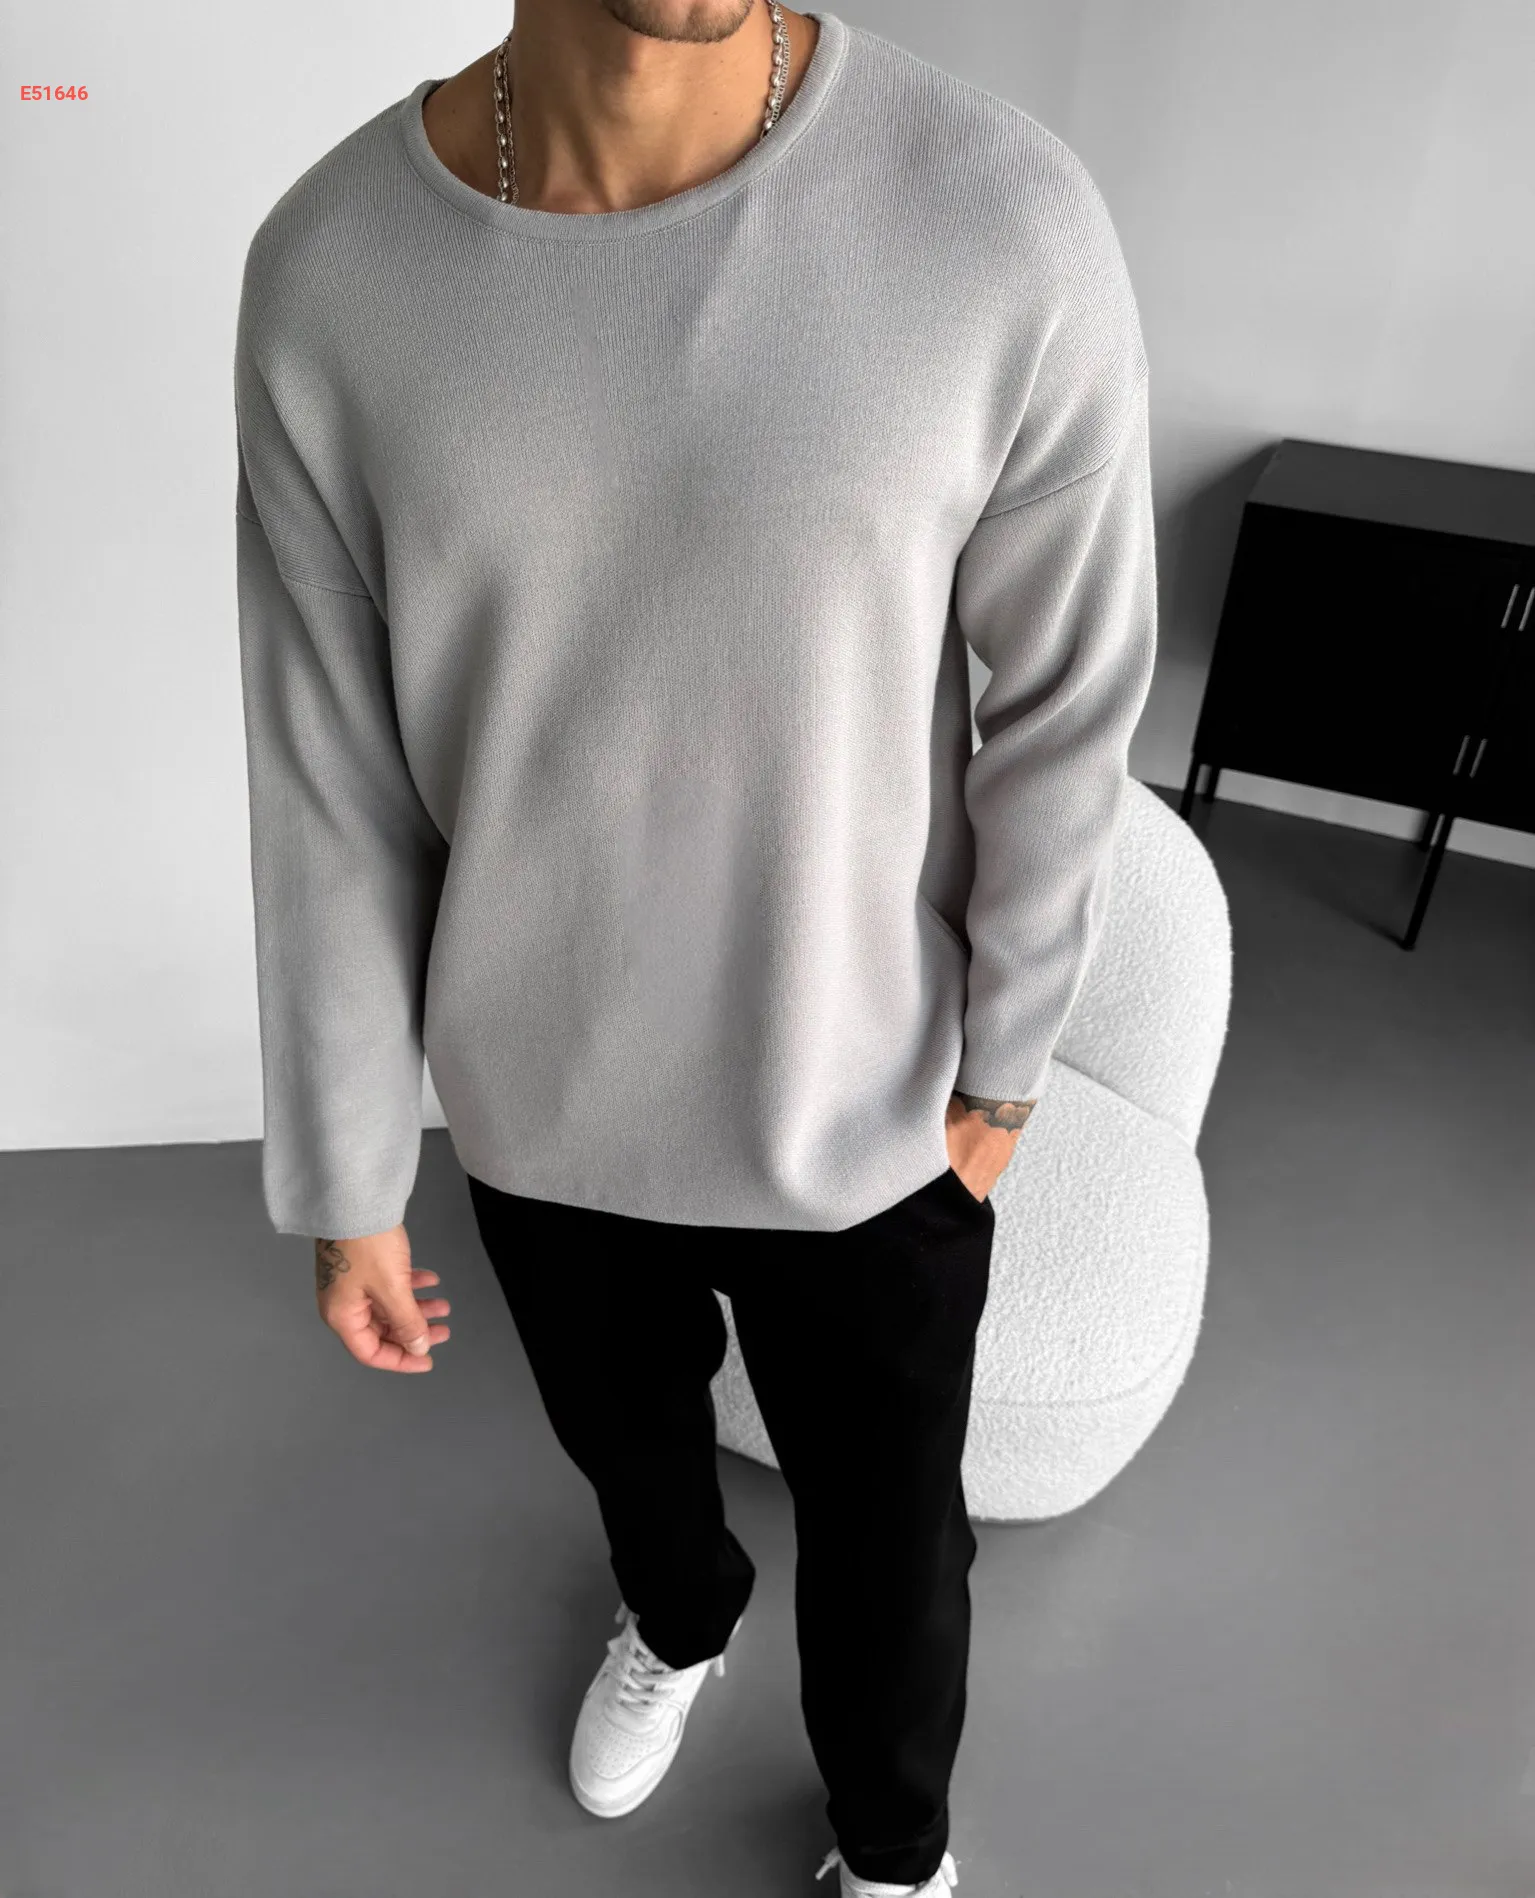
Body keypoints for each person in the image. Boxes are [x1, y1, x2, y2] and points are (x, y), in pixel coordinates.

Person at [233, 3, 1156, 1892]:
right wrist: (348, 1171)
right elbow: (328, 771)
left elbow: (1068, 693)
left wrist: (1004, 1062)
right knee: (633, 1460)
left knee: (893, 1540)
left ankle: (891, 1845)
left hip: (869, 1100)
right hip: (540, 1099)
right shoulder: (333, 273)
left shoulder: (995, 216)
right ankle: (678, 1615)